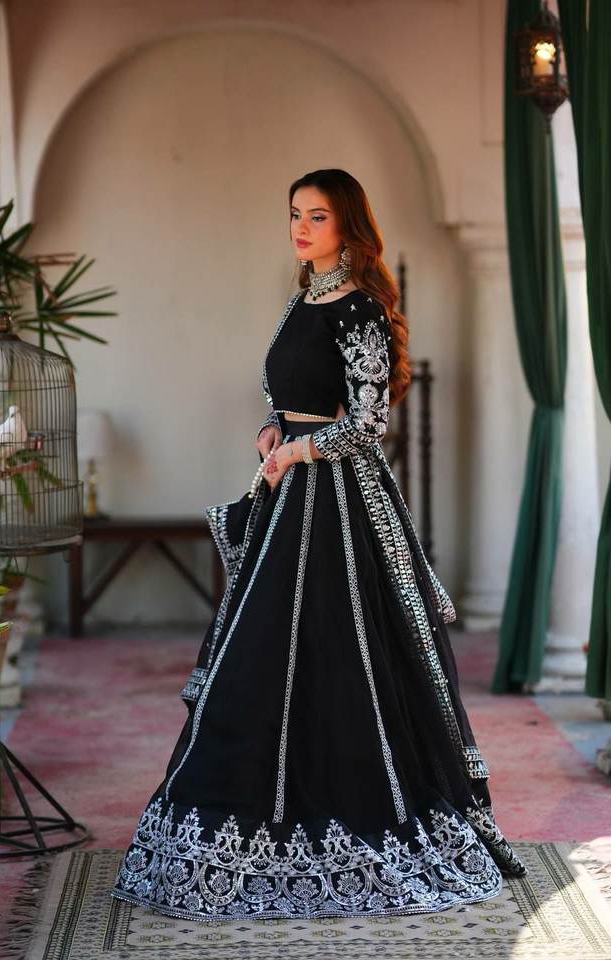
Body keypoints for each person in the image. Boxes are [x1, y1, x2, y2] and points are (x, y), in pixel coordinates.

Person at [111, 168, 526, 923]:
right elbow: (294, 397)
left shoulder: (360, 307)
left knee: (341, 653)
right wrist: (274, 429)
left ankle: (352, 815)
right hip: (291, 491)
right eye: (295, 215)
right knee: (265, 654)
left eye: (317, 217)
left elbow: (368, 424)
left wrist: (301, 450)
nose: (300, 229)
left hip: (336, 501)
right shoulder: (302, 299)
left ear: (348, 226)